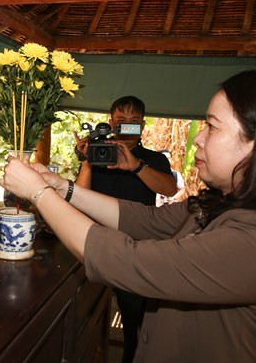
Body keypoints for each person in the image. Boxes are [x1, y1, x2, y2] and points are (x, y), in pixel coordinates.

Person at [0, 69, 256, 362]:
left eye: (212, 127)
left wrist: (38, 194)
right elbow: (140, 220)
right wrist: (60, 187)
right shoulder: (222, 205)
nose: (198, 139)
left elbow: (126, 261)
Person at [74, 96, 177, 363]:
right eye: (121, 122)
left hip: (135, 250)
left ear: (142, 125)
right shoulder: (97, 155)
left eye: (134, 123)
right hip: (94, 244)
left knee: (135, 323)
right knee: (86, 316)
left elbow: (169, 188)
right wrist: (87, 160)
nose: (127, 128)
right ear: (111, 123)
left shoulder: (153, 159)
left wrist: (136, 166)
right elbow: (79, 196)